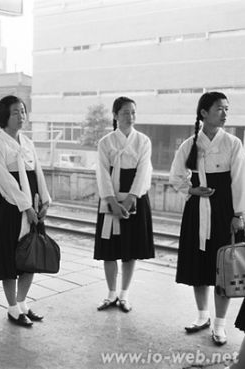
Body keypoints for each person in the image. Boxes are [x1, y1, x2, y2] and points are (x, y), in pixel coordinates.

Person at [170, 91, 245, 346]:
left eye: (227, 109)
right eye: (219, 109)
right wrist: (191, 189)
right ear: (203, 113)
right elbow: (176, 176)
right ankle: (202, 316)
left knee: (223, 269)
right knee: (199, 265)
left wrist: (238, 215)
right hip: (197, 209)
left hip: (225, 210)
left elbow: (240, 182)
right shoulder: (189, 144)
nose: (225, 113)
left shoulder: (233, 143)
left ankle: (219, 325)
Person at [0, 95, 51, 327]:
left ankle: (22, 303)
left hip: (33, 206)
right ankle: (12, 308)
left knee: (30, 255)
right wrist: (26, 208)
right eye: (16, 112)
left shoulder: (28, 143)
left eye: (23, 111)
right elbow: (6, 183)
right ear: (4, 115)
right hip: (11, 209)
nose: (21, 116)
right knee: (10, 257)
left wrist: (45, 201)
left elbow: (38, 174)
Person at [94, 96, 154, 313]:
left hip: (134, 198)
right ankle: (110, 294)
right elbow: (102, 173)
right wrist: (111, 201)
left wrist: (130, 200)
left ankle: (124, 295)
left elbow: (143, 171)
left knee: (130, 251)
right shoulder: (105, 142)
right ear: (116, 115)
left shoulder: (143, 141)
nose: (131, 117)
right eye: (126, 112)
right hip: (109, 197)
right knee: (109, 250)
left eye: (133, 112)